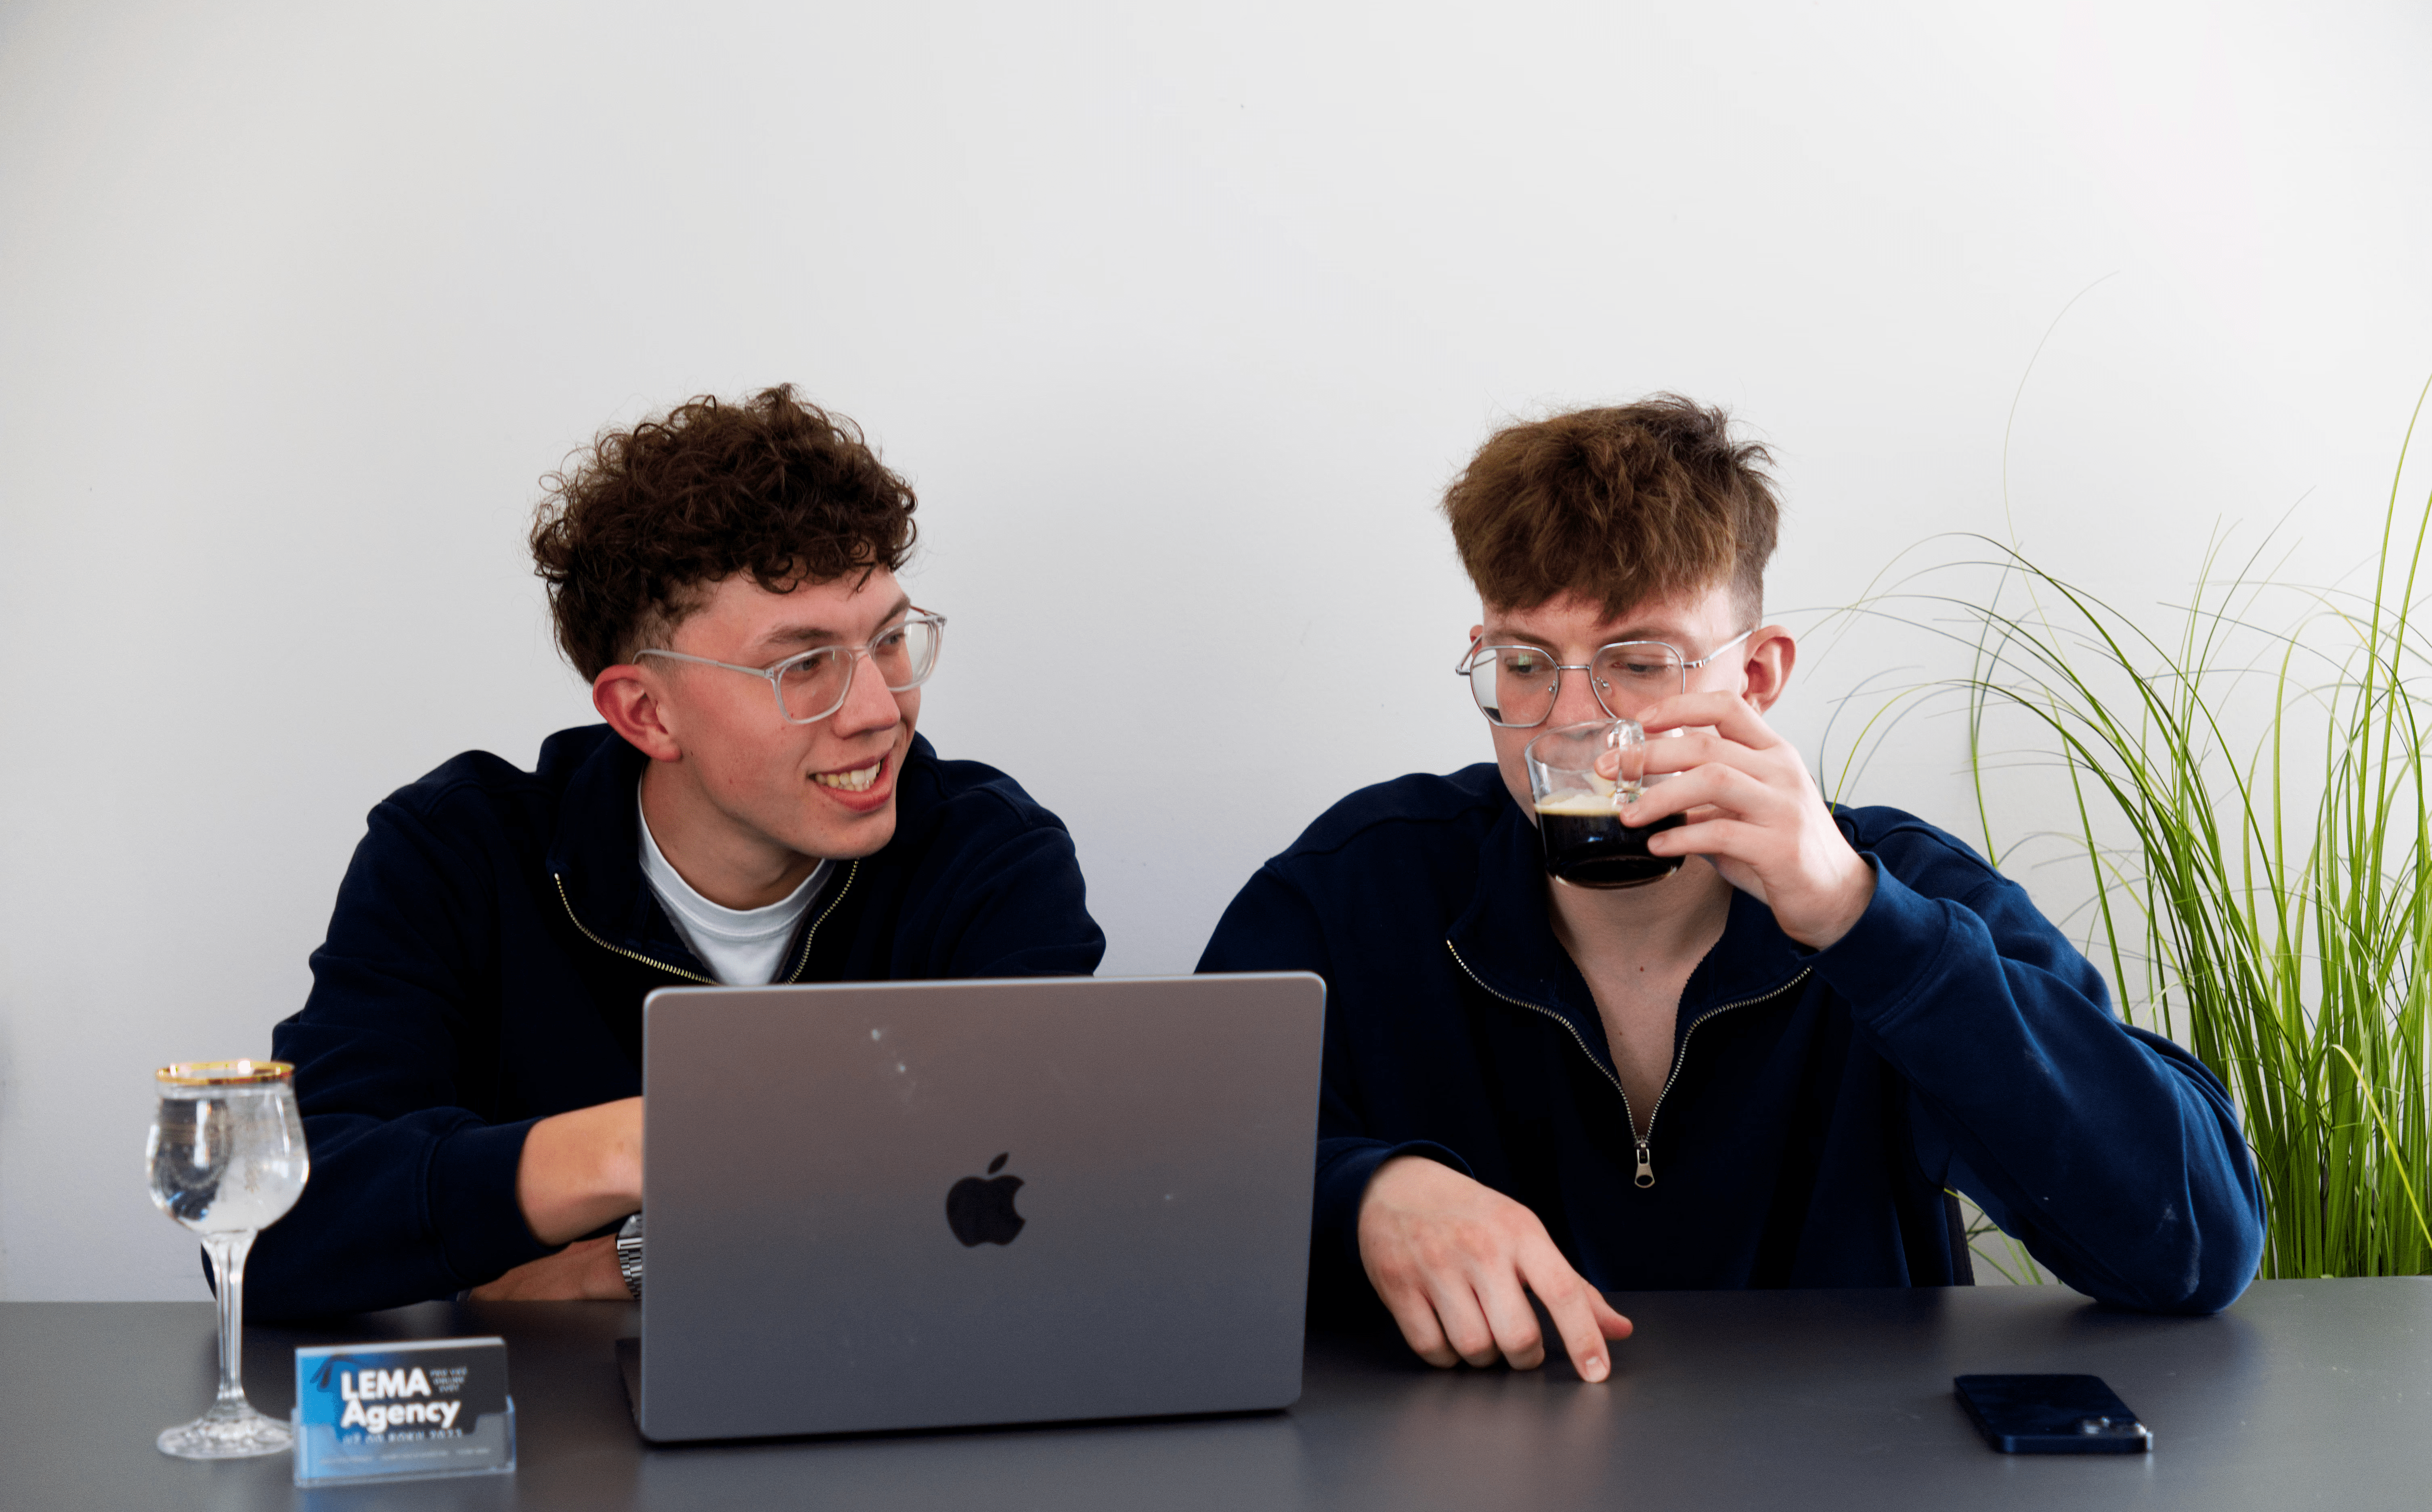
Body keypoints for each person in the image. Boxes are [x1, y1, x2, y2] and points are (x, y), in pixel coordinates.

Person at [1197, 397, 2266, 1384]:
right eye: (1526, 664)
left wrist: (1859, 921)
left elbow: (2196, 1247)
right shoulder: (1359, 889)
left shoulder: (1905, 896)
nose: (1572, 723)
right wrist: (1363, 1194)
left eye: (1641, 663)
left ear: (1756, 678)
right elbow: (1160, 1192)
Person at [252, 386, 1105, 1317]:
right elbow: (280, 1224)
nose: (877, 712)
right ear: (646, 714)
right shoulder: (456, 856)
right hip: (556, 1443)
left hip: (896, 1424)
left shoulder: (988, 857)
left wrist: (618, 1257)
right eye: (802, 664)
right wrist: (642, 1147)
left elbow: (1039, 1206)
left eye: (890, 640)